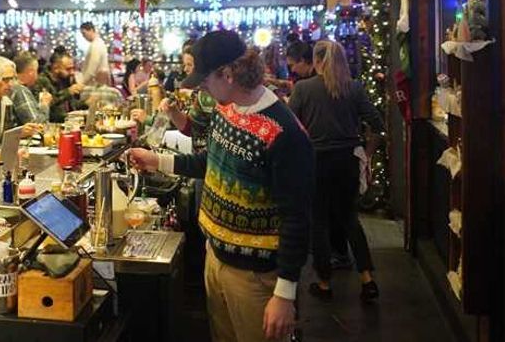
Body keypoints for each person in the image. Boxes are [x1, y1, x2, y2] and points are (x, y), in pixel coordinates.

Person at [127, 31, 314, 342]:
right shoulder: (227, 108)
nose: (201, 87)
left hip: (257, 277)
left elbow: (297, 217)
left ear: (227, 74)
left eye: (204, 80)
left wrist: (284, 293)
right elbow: (208, 161)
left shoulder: (284, 133)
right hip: (216, 257)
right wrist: (157, 161)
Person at [288, 40, 383, 303]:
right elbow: (377, 123)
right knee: (349, 218)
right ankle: (367, 278)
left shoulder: (303, 89)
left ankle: (324, 282)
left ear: (317, 61)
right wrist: (367, 153)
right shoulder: (353, 87)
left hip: (316, 161)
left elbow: (288, 125)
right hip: (347, 160)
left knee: (318, 221)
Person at [35, 53, 83, 122]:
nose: (72, 72)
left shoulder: (65, 79)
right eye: (68, 69)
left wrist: (86, 102)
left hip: (69, 122)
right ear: (55, 68)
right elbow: (47, 105)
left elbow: (72, 105)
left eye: (73, 68)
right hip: (53, 125)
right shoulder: (43, 80)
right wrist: (68, 92)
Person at [11, 52, 50, 126]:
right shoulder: (20, 90)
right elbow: (36, 125)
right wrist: (44, 104)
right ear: (31, 72)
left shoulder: (14, 87)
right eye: (36, 71)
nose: (37, 76)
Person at [79, 22, 109, 86]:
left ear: (91, 30)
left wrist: (82, 83)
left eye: (84, 33)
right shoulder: (99, 43)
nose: (83, 36)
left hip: (94, 84)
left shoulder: (96, 46)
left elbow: (91, 69)